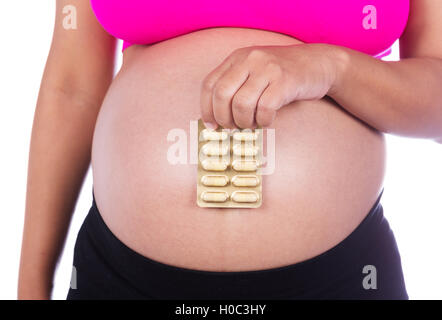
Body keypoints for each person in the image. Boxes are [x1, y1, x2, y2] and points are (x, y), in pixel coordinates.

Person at [18, 0, 442, 299]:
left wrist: (330, 68)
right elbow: (72, 89)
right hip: (121, 277)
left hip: (342, 276)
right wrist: (30, 284)